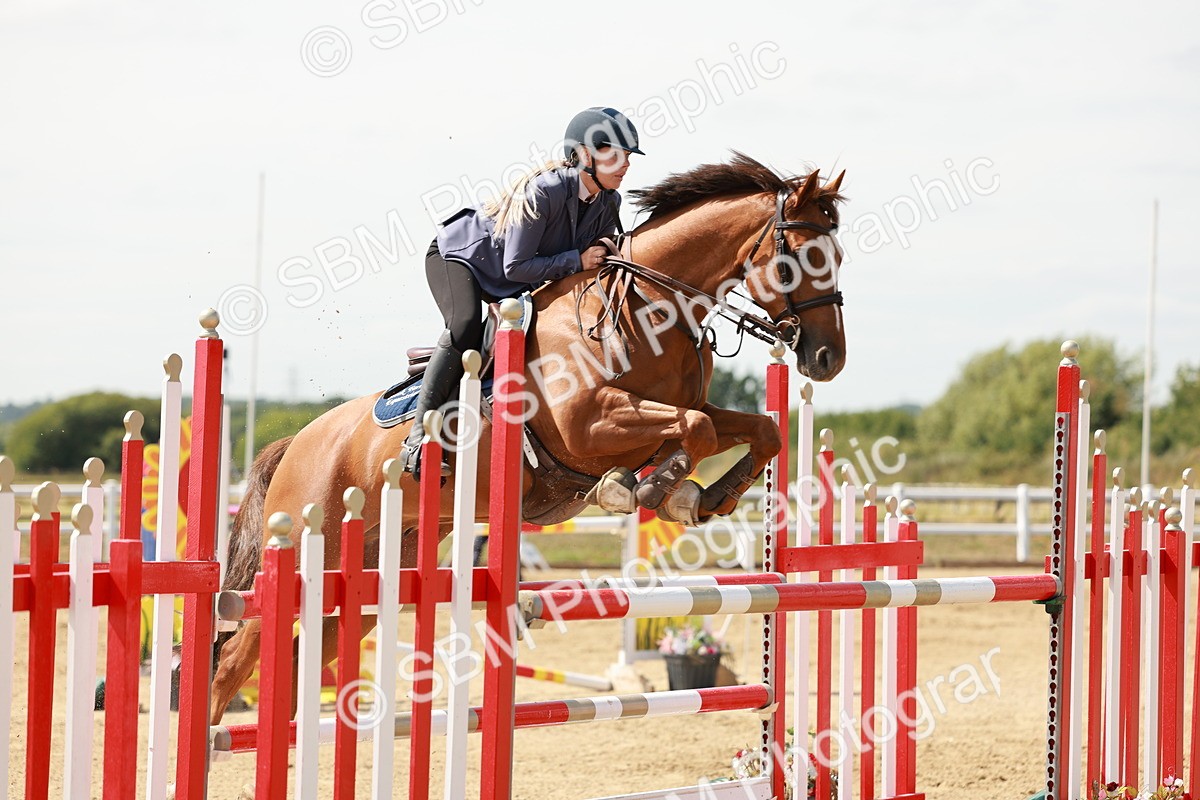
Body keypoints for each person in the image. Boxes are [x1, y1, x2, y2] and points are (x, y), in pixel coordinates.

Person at [400, 106, 644, 476]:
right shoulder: (545, 191)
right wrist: (578, 260)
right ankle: (419, 436)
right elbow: (517, 266)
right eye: (614, 153)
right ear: (582, 155)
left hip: (516, 280)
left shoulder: (609, 202)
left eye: (627, 156)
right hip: (463, 259)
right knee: (466, 325)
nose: (624, 163)